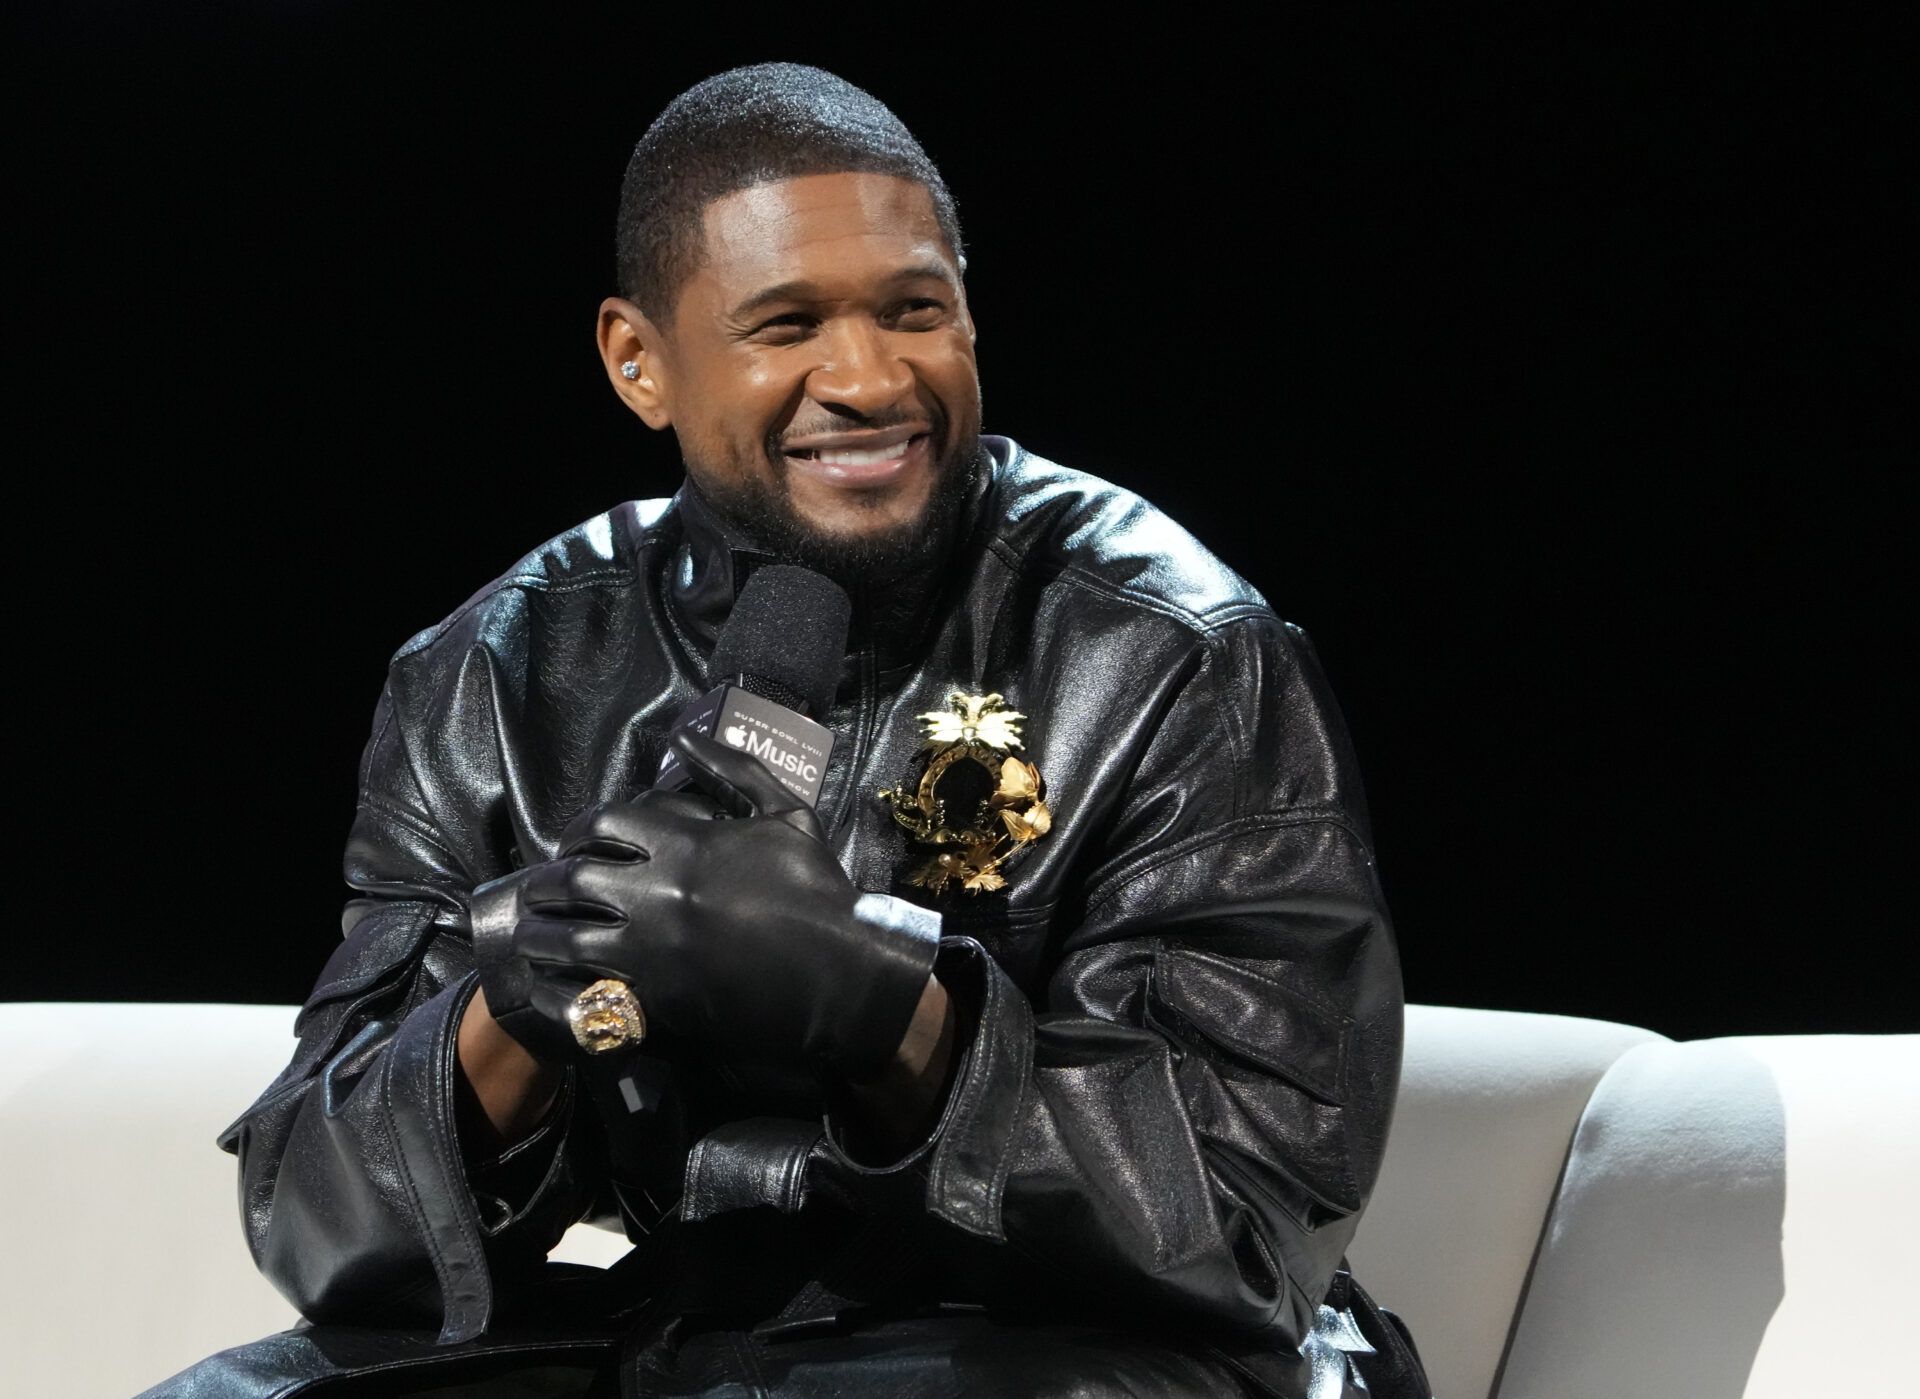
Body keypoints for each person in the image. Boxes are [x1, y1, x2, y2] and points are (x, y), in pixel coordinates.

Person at [148, 63, 1433, 1399]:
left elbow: (1244, 1219)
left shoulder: (1175, 652)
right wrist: (519, 1008)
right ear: (640, 363)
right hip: (687, 1341)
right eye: (788, 324)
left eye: (915, 311)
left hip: (1091, 1349)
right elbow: (315, 1230)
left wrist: (880, 1004)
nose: (869, 377)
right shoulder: (496, 673)